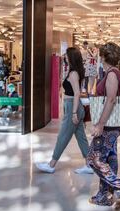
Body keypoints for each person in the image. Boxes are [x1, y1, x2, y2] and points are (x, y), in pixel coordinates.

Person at [87, 42, 120, 208]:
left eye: (100, 56)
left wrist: (100, 124)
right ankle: (104, 195)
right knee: (110, 158)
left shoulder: (112, 74)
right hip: (111, 124)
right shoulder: (112, 73)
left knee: (94, 159)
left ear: (104, 57)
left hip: (109, 125)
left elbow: (111, 99)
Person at [35, 47, 93, 175]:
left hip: (73, 107)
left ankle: (51, 164)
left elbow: (77, 93)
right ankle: (89, 164)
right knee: (81, 138)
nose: (64, 57)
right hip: (73, 106)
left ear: (71, 57)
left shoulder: (73, 74)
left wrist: (73, 113)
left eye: (66, 55)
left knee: (63, 136)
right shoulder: (74, 71)